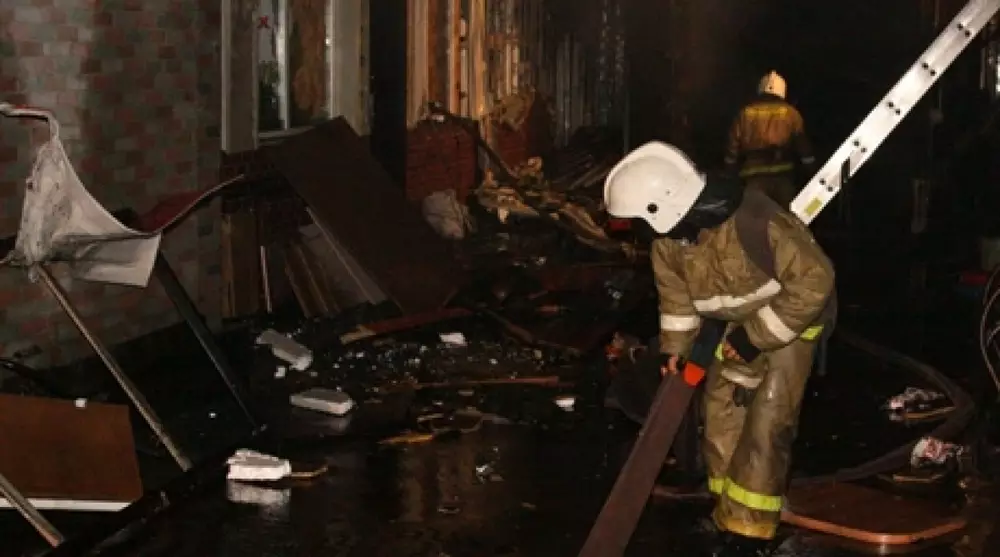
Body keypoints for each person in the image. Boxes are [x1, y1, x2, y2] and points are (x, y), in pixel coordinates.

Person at [603, 141, 836, 556]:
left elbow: (814, 282)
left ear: (662, 207)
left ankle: (751, 533)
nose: (637, 233)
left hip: (793, 322)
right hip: (738, 326)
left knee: (767, 419)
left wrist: (754, 338)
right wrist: (675, 352)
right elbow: (677, 304)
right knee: (720, 411)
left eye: (638, 221)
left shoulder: (758, 224)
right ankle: (729, 512)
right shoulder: (668, 244)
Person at [723, 71, 816, 208]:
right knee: (784, 218)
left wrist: (729, 172)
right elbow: (803, 146)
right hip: (783, 179)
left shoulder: (746, 113)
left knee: (754, 217)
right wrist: (811, 171)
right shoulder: (790, 113)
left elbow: (732, 147)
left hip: (754, 179)